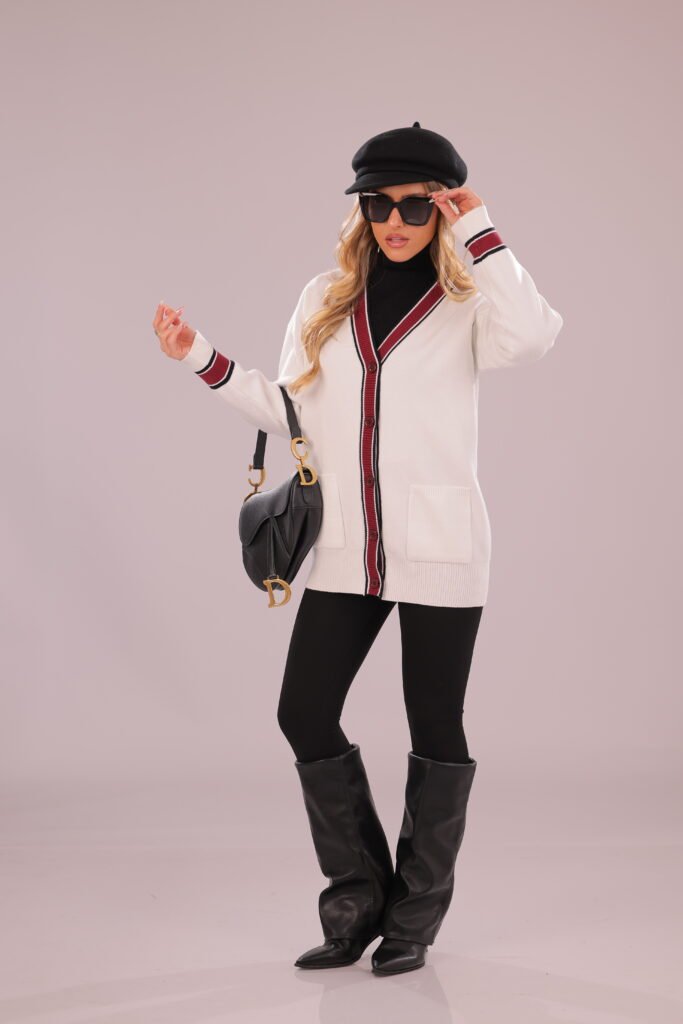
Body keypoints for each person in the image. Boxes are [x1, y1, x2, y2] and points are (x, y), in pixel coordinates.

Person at [152, 122, 564, 976]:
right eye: (378, 205)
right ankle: (358, 897)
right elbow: (291, 412)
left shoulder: (468, 302)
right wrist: (200, 358)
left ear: (442, 210)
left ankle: (414, 915)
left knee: (434, 722)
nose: (395, 222)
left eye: (416, 206)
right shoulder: (323, 298)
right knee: (303, 711)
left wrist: (481, 228)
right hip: (346, 546)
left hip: (441, 545)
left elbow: (534, 336)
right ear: (362, 211)